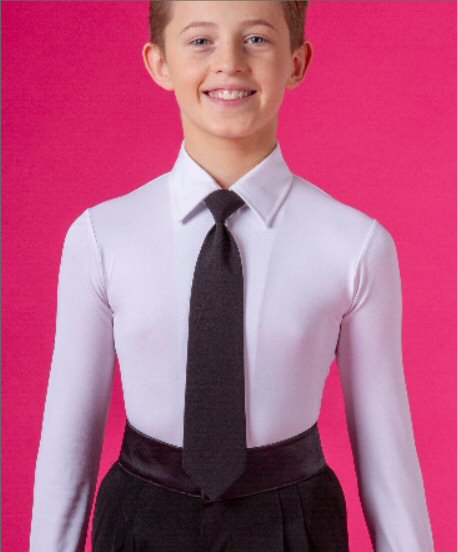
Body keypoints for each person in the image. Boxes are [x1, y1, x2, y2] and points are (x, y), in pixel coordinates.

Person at [29, 1, 436, 550]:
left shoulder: (355, 245)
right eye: (201, 41)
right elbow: (67, 444)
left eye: (257, 40)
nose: (230, 63)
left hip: (295, 525)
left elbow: (387, 448)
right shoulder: (101, 237)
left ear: (297, 62)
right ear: (159, 63)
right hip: (140, 522)